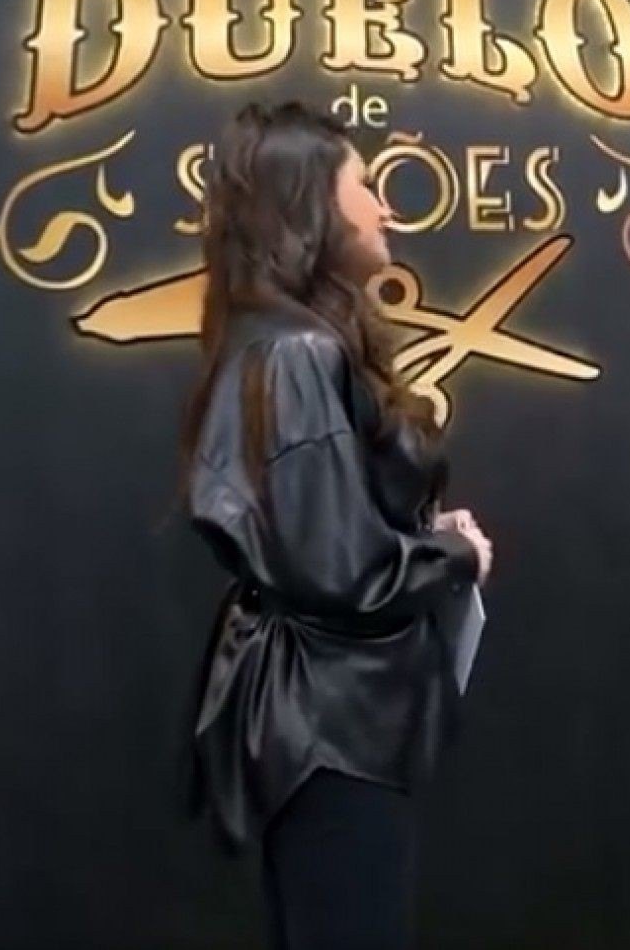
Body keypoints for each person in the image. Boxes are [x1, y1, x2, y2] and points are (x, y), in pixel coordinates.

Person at [178, 101, 495, 948]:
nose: (387, 206)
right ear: (310, 202)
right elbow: (343, 570)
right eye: (364, 184)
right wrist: (454, 555)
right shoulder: (297, 353)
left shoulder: (280, 343)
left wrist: (412, 530)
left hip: (330, 723)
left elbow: (320, 531)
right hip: (331, 728)